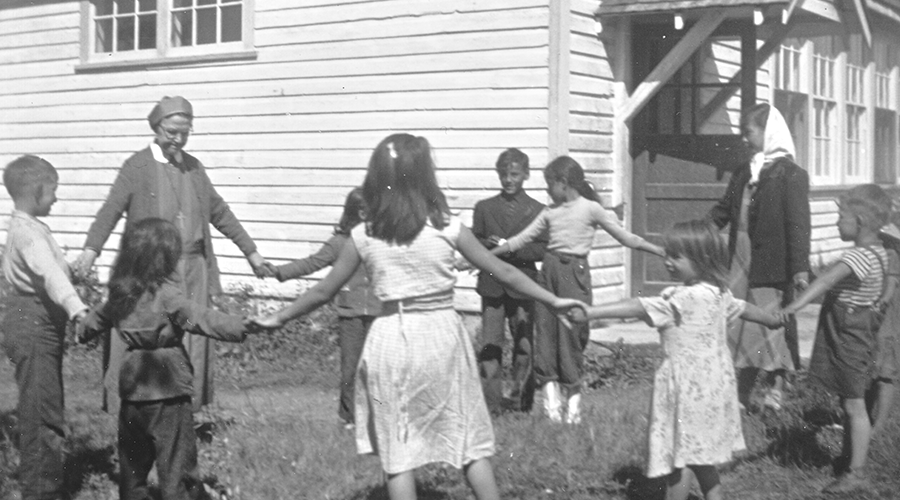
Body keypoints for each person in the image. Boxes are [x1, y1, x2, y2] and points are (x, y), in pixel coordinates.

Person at [250, 133, 586, 500]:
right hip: (442, 336)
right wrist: (553, 300)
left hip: (391, 339)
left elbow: (322, 291)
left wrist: (279, 317)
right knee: (468, 439)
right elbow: (504, 271)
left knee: (397, 450)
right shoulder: (447, 226)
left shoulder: (365, 234)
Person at [71, 95, 271, 412]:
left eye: (184, 133)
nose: (178, 139)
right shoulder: (137, 166)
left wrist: (252, 253)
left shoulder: (194, 168)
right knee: (150, 333)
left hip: (194, 269)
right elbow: (110, 210)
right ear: (156, 127)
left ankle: (188, 409)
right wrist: (90, 251)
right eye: (171, 132)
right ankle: (135, 406)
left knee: (194, 330)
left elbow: (220, 212)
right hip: (151, 270)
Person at [568, 220, 782, 500]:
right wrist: (771, 320)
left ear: (702, 259)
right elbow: (745, 309)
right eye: (667, 254)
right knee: (700, 455)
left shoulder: (680, 299)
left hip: (686, 389)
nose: (667, 261)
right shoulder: (719, 294)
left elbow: (637, 306)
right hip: (714, 386)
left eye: (676, 256)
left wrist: (590, 313)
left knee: (680, 460)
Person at [77, 218, 259, 500]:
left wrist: (81, 329)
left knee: (133, 468)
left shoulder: (121, 296)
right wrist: (241, 325)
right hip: (168, 388)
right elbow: (200, 318)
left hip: (133, 388)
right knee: (177, 465)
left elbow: (93, 322)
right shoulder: (166, 296)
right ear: (164, 259)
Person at [491, 156, 665, 423]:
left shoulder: (591, 209)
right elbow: (519, 240)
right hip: (548, 272)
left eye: (550, 184)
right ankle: (552, 410)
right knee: (545, 336)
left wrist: (659, 250)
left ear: (563, 182)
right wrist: (487, 255)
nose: (547, 189)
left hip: (574, 275)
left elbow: (626, 237)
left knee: (572, 336)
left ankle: (573, 412)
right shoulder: (550, 212)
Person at [781, 184, 892, 493]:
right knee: (850, 400)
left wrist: (794, 306)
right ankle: (849, 459)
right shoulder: (878, 252)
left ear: (860, 221)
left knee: (854, 404)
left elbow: (828, 280)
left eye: (841, 217)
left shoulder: (858, 256)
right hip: (856, 333)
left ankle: (857, 473)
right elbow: (843, 285)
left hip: (848, 335)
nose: (836, 222)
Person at [707, 102, 811, 412]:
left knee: (771, 322)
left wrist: (800, 268)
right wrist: (701, 230)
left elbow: (798, 224)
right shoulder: (745, 171)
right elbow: (724, 209)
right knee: (741, 322)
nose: (744, 138)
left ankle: (777, 387)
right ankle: (741, 392)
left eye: (748, 132)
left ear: (768, 132)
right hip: (740, 257)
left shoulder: (790, 174)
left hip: (770, 259)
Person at [1, 155, 89, 500]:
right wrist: (78, 310)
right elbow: (49, 275)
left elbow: (51, 270)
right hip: (33, 321)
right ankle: (40, 491)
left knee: (45, 403)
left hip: (35, 318)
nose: (56, 198)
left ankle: (43, 484)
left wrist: (72, 273)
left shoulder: (28, 228)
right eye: (53, 190)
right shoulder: (28, 234)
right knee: (41, 413)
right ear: (37, 191)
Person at [270, 187, 380, 428]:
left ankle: (376, 418)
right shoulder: (340, 243)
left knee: (377, 368)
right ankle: (348, 418)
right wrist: (279, 272)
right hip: (350, 315)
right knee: (350, 368)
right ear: (360, 212)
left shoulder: (380, 242)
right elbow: (313, 263)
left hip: (379, 314)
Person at [471, 148, 547, 414]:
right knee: (490, 344)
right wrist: (487, 244)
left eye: (514, 174)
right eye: (503, 174)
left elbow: (542, 249)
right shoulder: (484, 208)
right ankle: (491, 405)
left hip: (522, 285)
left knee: (524, 344)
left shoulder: (537, 210)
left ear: (526, 174)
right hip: (492, 285)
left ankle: (520, 403)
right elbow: (474, 241)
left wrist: (512, 249)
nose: (508, 180)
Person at [871, 220, 900, 437]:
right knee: (872, 370)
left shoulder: (891, 254)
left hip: (886, 316)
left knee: (885, 371)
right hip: (874, 317)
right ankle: (866, 418)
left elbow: (891, 283)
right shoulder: (877, 252)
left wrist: (883, 301)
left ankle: (879, 426)